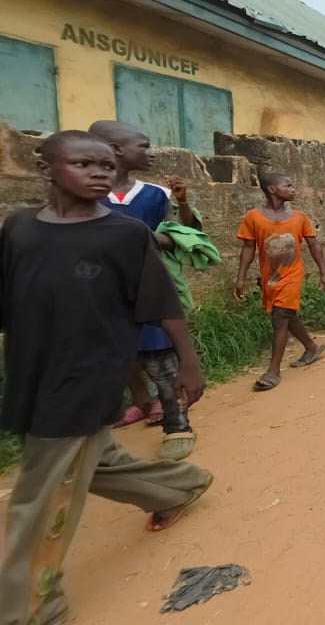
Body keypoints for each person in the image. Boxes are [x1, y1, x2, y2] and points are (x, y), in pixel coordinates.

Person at [0, 131, 214, 625]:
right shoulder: (19, 228)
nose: (98, 172)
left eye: (104, 164)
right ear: (45, 167)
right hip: (32, 368)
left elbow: (163, 301)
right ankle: (178, 486)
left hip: (89, 373)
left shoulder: (122, 233)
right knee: (94, 459)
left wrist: (189, 362)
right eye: (83, 163)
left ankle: (33, 607)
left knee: (38, 497)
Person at [90, 120, 201, 459]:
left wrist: (145, 236)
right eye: (144, 146)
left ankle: (177, 422)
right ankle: (142, 401)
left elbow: (181, 235)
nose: (151, 153)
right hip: (101, 290)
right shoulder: (87, 195)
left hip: (147, 285)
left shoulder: (155, 195)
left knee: (158, 354)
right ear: (116, 151)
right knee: (121, 354)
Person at [234, 172, 325, 390]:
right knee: (286, 314)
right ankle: (310, 346)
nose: (293, 188)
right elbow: (249, 248)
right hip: (270, 278)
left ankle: (273, 371)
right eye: (287, 185)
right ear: (272, 189)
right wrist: (241, 277)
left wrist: (324, 273)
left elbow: (314, 246)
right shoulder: (253, 217)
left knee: (280, 318)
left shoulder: (299, 217)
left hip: (292, 275)